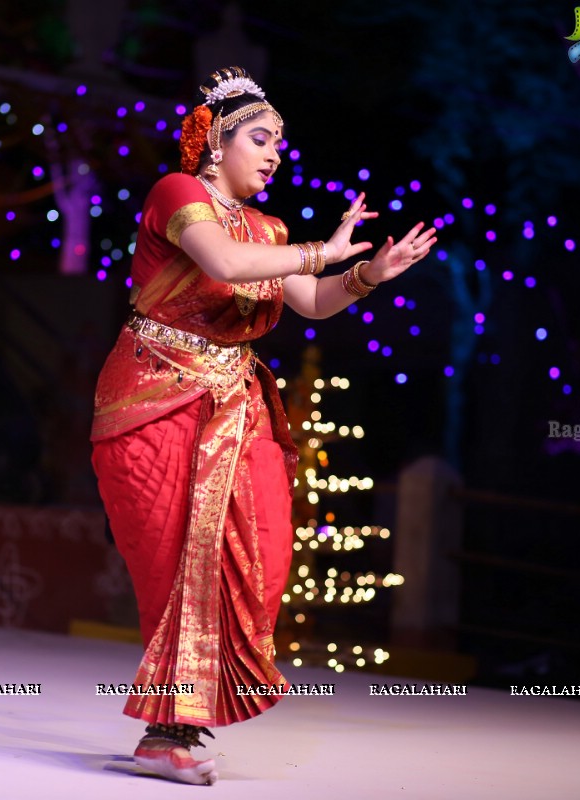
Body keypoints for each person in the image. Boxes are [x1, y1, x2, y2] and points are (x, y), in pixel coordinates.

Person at [90, 66, 438, 786]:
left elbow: (310, 299)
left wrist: (370, 272)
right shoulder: (178, 195)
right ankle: (169, 731)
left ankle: (181, 721)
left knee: (263, 549)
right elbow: (223, 261)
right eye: (261, 137)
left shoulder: (269, 228)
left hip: (234, 408)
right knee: (181, 564)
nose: (276, 152)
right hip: (154, 400)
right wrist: (324, 250)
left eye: (281, 141)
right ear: (216, 143)